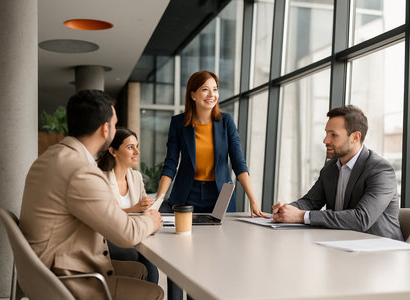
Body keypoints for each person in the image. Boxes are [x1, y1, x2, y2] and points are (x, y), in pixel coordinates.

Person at [20, 90, 164, 300]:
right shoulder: (80, 170)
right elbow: (126, 234)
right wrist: (151, 220)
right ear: (106, 129)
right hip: (64, 279)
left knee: (140, 270)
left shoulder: (50, 157)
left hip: (41, 271)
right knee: (156, 293)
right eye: (115, 124)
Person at [156, 70, 267, 300]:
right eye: (205, 89)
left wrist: (254, 201)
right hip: (186, 197)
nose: (211, 94)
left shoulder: (225, 122)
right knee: (180, 256)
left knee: (212, 257)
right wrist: (159, 199)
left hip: (218, 198)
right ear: (193, 94)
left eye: (215, 89)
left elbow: (239, 163)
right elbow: (170, 163)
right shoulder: (179, 123)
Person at [272, 105, 404, 241]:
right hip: (341, 244)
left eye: (333, 135)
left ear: (355, 137)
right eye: (326, 133)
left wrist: (301, 216)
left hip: (380, 250)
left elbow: (361, 219)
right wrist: (287, 210)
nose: (325, 140)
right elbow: (310, 201)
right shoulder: (330, 168)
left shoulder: (380, 170)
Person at [97, 128, 159, 284]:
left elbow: (142, 207)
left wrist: (148, 207)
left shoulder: (136, 177)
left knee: (151, 264)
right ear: (113, 151)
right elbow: (101, 215)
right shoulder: (100, 177)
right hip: (106, 237)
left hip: (134, 234)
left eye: (137, 146)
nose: (137, 152)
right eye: (130, 147)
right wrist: (132, 210)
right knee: (133, 255)